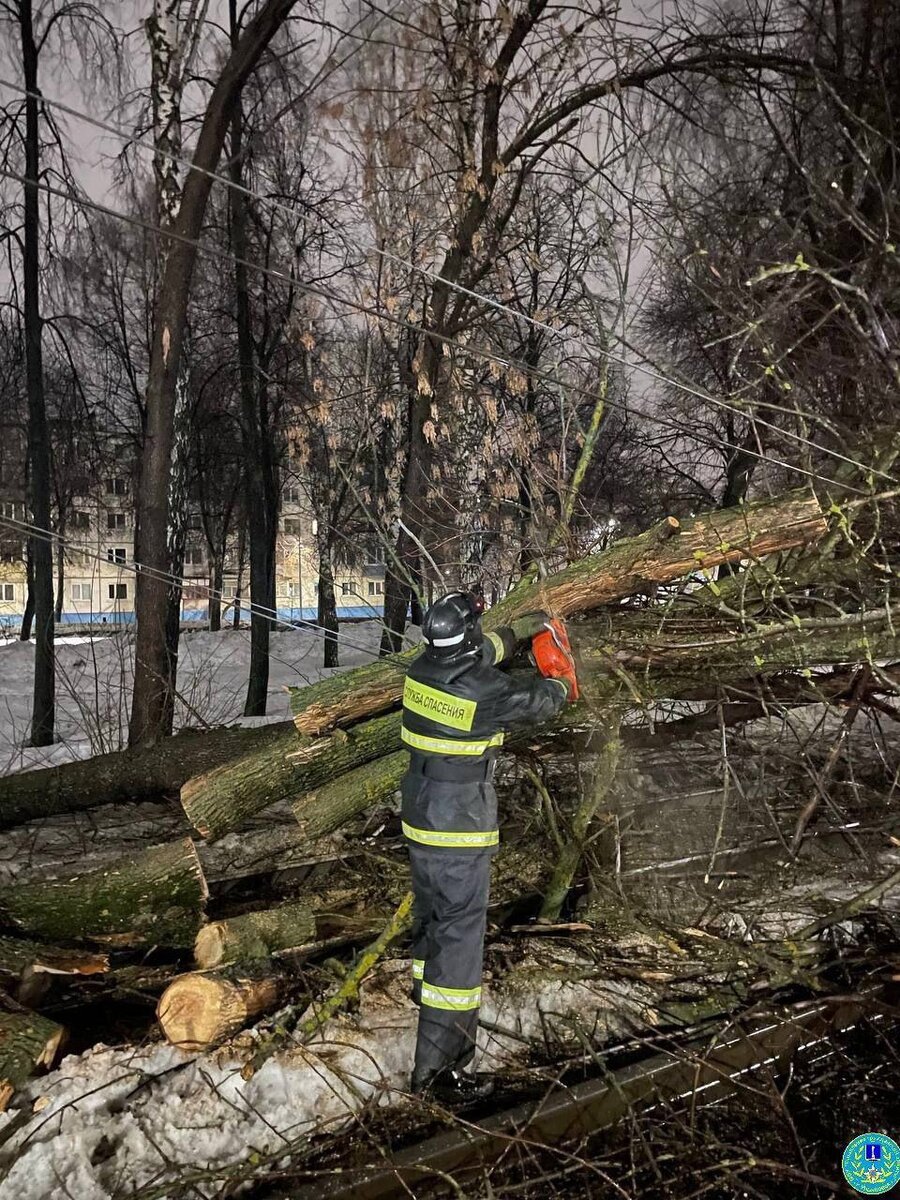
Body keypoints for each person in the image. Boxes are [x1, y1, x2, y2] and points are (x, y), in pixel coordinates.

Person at [401, 590, 577, 1104]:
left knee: (432, 918)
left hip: (420, 815)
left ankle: (426, 998)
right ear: (466, 640)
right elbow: (542, 700)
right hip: (458, 826)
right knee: (458, 942)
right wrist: (563, 679)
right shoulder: (484, 693)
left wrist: (524, 630)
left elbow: (482, 653)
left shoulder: (420, 670)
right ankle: (437, 1076)